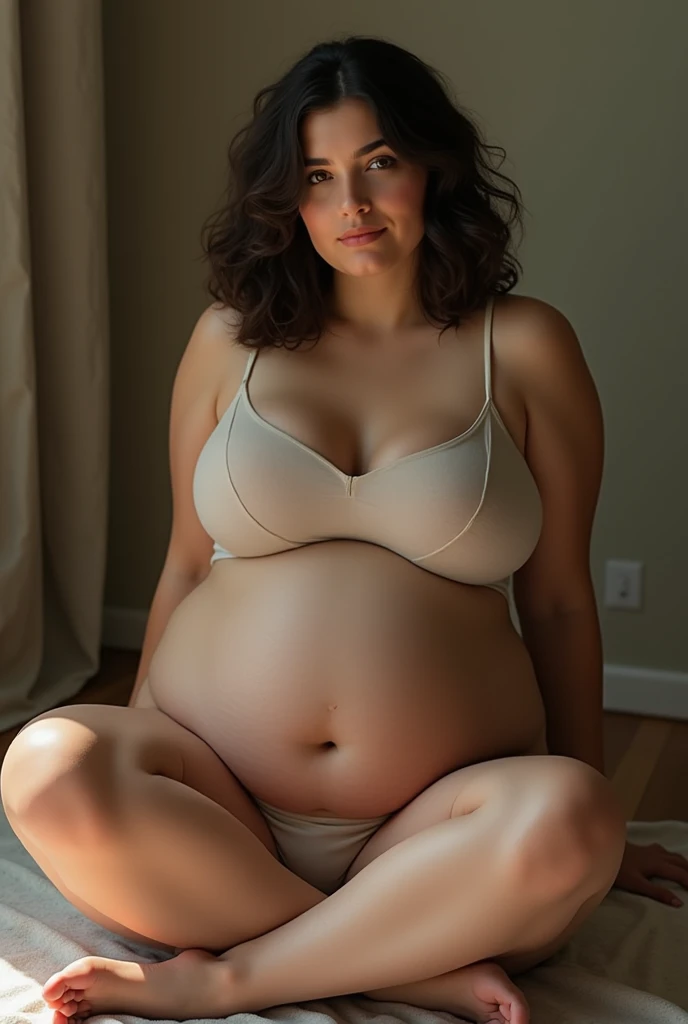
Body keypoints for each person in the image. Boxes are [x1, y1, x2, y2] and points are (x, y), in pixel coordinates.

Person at [2, 34, 686, 1024]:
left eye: (378, 164)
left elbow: (560, 598)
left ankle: (234, 972)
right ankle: (403, 957)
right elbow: (187, 565)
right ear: (287, 201)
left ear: (431, 170)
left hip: (435, 819)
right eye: (317, 177)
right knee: (47, 760)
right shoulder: (226, 341)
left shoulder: (525, 345)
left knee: (572, 819)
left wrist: (608, 823)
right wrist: (144, 748)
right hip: (223, 799)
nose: (351, 205)